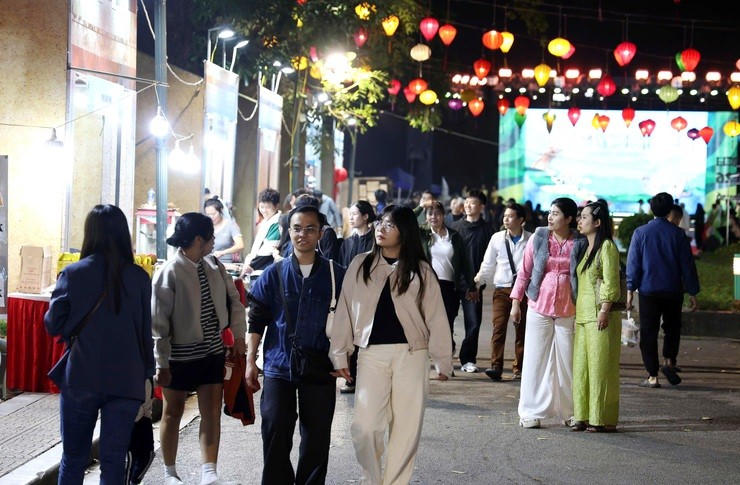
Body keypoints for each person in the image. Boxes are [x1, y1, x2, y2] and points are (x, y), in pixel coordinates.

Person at [328, 205, 452, 485]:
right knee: (365, 428)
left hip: (412, 355)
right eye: (380, 223)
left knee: (406, 428)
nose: (381, 229)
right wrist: (340, 355)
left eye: (390, 225)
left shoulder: (421, 270)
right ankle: (372, 479)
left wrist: (442, 359)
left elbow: (436, 316)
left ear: (404, 232)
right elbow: (344, 311)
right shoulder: (360, 264)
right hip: (371, 354)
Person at [45, 204, 154, 484]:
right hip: (127, 380)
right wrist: (148, 376)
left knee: (73, 458)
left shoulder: (73, 273)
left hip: (82, 376)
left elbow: (53, 324)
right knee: (114, 460)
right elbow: (145, 334)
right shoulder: (140, 278)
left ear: (90, 233)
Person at [245, 203, 345, 485]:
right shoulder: (274, 273)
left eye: (310, 229)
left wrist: (347, 360)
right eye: (297, 228)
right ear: (288, 231)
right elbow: (256, 320)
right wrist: (250, 361)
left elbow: (350, 321)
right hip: (278, 365)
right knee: (275, 431)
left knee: (317, 436)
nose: (303, 235)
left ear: (321, 233)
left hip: (320, 364)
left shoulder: (337, 274)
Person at [152, 212, 247, 485]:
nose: (214, 242)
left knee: (212, 412)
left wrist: (238, 336)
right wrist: (161, 363)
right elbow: (158, 323)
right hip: (178, 357)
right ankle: (170, 473)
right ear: (198, 239)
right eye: (210, 237)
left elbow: (234, 302)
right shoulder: (169, 272)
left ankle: (209, 473)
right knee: (172, 413)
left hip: (212, 352)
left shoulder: (214, 266)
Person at [510, 197, 580, 429]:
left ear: (569, 219)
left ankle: (570, 412)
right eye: (550, 212)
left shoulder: (579, 241)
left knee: (567, 362)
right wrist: (516, 302)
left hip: (568, 307)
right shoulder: (539, 237)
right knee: (535, 360)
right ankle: (530, 411)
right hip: (539, 305)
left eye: (556, 213)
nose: (550, 217)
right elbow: (524, 271)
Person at [626, 192, 699, 388]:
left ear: (651, 209)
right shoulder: (678, 234)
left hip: (648, 290)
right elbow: (687, 266)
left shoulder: (641, 233)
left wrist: (630, 289)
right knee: (672, 328)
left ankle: (652, 375)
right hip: (673, 290)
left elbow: (634, 264)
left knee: (648, 332)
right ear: (669, 211)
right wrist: (692, 291)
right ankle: (668, 361)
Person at [571, 202, 622, 433]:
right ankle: (581, 415)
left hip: (599, 315)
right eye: (580, 217)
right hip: (583, 315)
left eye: (584, 217)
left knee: (600, 368)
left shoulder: (607, 247)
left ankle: (600, 418)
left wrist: (604, 310)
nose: (579, 221)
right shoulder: (586, 248)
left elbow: (611, 282)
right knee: (581, 368)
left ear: (598, 222)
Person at [475, 203, 532, 381]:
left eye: (510, 216)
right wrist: (478, 281)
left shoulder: (531, 239)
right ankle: (496, 367)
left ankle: (519, 368)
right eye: (505, 216)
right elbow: (488, 263)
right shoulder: (497, 238)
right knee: (498, 328)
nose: (506, 219)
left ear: (521, 220)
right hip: (502, 289)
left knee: (522, 330)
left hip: (523, 291)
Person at [421, 201, 474, 353]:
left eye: (437, 214)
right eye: (430, 214)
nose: (434, 217)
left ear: (444, 215)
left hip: (449, 287)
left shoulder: (454, 236)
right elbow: (406, 219)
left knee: (447, 321)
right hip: (428, 286)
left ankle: (447, 353)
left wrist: (471, 286)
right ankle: (433, 353)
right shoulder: (422, 234)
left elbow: (465, 263)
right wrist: (422, 206)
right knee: (429, 322)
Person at [338, 200, 377, 394]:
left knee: (371, 338)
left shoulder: (376, 241)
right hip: (352, 297)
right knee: (353, 338)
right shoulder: (347, 243)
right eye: (350, 214)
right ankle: (352, 378)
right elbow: (342, 269)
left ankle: (371, 378)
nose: (351, 218)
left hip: (373, 296)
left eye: (354, 214)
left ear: (366, 216)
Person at [454, 190, 492, 373]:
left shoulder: (487, 230)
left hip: (474, 285)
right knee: (445, 321)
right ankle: (446, 356)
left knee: (473, 322)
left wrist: (478, 284)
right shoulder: (455, 228)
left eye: (473, 203)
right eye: (467, 202)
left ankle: (468, 359)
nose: (468, 206)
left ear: (481, 206)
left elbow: (489, 260)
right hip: (453, 283)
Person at [242, 188, 282, 277]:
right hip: (258, 269)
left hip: (264, 270)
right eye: (261, 207)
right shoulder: (266, 221)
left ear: (276, 206)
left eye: (268, 207)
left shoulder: (277, 223)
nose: (264, 210)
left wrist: (251, 265)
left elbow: (267, 250)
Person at [204, 197, 244, 263]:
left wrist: (223, 252)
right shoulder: (205, 225)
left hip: (225, 263)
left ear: (221, 211)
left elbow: (240, 245)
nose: (211, 217)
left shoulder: (231, 225)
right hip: (207, 263)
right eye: (208, 214)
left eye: (213, 214)